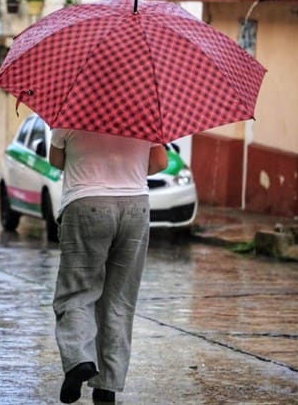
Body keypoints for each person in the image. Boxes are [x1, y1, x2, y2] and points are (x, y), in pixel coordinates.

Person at [49, 128, 168, 404]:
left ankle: (79, 359)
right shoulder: (146, 110)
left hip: (85, 203)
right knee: (119, 300)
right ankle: (107, 386)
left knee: (77, 292)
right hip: (135, 207)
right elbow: (159, 163)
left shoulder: (72, 107)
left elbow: (56, 161)